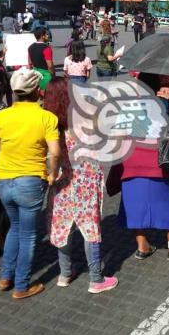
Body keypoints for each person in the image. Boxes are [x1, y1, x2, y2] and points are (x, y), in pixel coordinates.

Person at [0, 68, 60, 299]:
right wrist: (52, 173)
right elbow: (54, 152)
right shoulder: (46, 117)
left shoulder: (0, 116)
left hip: (4, 179)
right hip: (30, 179)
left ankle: (5, 275)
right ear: (38, 91)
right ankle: (22, 285)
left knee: (14, 228)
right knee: (28, 235)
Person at [44, 77, 118, 293]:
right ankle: (96, 278)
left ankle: (65, 273)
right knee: (90, 226)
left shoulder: (49, 125)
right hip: (86, 178)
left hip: (61, 180)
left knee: (62, 224)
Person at [117, 72, 169, 263]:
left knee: (134, 201)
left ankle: (142, 246)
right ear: (157, 84)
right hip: (159, 158)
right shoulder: (164, 103)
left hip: (132, 158)